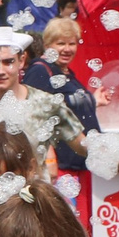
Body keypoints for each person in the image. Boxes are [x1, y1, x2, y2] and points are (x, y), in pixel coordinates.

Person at [27, 17, 101, 220]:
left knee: (84, 227)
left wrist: (94, 101)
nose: (67, 49)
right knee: (68, 226)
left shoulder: (66, 73)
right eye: (60, 43)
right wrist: (50, 158)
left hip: (81, 165)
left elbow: (67, 108)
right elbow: (33, 119)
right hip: (61, 168)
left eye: (72, 43)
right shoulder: (41, 71)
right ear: (47, 44)